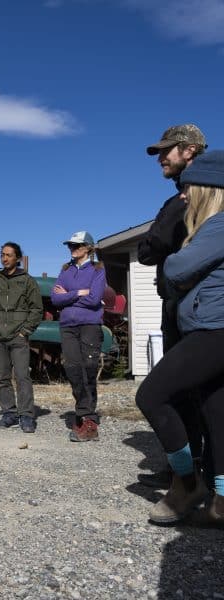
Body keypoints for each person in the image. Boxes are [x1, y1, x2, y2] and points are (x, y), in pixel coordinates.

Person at [136, 150, 224, 526]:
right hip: (208, 326)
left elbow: (175, 267)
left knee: (152, 395)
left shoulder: (219, 225)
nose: (183, 195)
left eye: (189, 188)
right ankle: (221, 500)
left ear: (209, 188)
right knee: (216, 412)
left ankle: (187, 483)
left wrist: (176, 259)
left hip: (214, 329)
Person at [137, 124, 208, 486]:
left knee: (179, 390)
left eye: (168, 150)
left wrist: (159, 237)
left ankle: (195, 473)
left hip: (198, 308)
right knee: (189, 391)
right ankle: (193, 466)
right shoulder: (177, 199)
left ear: (190, 150)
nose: (161, 158)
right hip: (176, 304)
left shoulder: (201, 195)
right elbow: (148, 250)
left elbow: (153, 246)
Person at [0, 242, 43, 433]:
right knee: (1, 377)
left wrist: (25, 331)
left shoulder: (27, 281)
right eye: (2, 255)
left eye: (8, 255)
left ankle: (26, 416)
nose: (4, 258)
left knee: (23, 376)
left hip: (18, 336)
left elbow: (37, 309)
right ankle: (9, 414)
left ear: (17, 258)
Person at [50, 232, 106, 442]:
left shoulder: (98, 269)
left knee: (88, 369)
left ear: (88, 247)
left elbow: (94, 299)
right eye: (70, 246)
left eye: (76, 245)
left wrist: (68, 297)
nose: (72, 249)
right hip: (68, 326)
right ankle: (84, 413)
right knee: (73, 369)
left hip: (89, 324)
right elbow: (55, 298)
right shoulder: (65, 270)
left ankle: (88, 420)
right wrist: (78, 293)